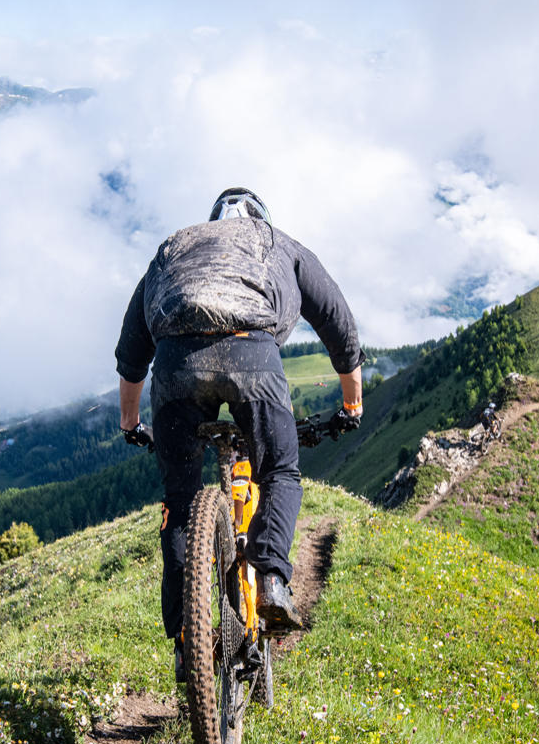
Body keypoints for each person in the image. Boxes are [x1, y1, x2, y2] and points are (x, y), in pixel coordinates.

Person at [114, 187, 364, 679]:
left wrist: (130, 422)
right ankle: (270, 577)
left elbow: (130, 352)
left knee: (180, 499)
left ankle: (187, 638)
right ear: (260, 218)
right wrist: (351, 405)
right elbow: (338, 323)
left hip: (175, 365)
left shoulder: (172, 248)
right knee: (280, 472)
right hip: (253, 354)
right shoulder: (278, 243)